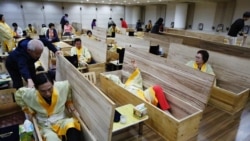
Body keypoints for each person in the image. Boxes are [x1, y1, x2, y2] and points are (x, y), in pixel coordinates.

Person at [15, 71, 81, 141]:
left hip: (62, 120)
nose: (48, 93)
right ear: (36, 89)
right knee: (51, 138)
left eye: (50, 89)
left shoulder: (62, 86)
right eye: (43, 91)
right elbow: (18, 94)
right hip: (44, 125)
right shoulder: (31, 94)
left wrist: (69, 102)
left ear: (53, 84)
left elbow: (68, 89)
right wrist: (28, 110)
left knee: (72, 125)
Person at [105, 60, 171, 113]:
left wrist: (135, 67)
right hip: (135, 101)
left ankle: (165, 110)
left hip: (144, 95)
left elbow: (137, 76)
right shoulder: (122, 87)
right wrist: (107, 76)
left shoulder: (131, 82)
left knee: (157, 88)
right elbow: (114, 78)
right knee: (142, 104)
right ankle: (152, 110)